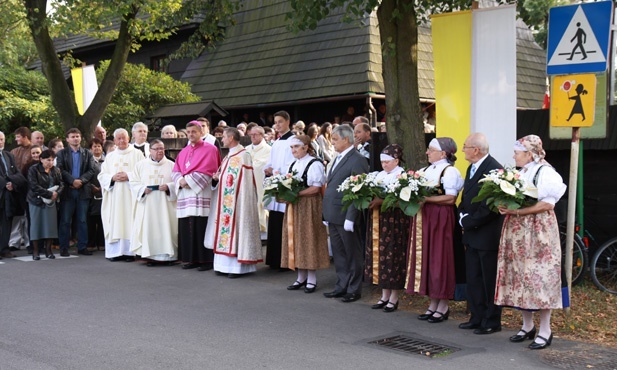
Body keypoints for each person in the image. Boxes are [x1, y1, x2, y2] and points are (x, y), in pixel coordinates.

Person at [495, 135, 566, 350]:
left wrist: (518, 211)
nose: (514, 155)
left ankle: (546, 329)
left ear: (529, 154)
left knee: (540, 278)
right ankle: (527, 326)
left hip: (538, 232)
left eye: (517, 152)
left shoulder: (546, 172)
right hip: (518, 230)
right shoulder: (522, 172)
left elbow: (547, 205)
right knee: (520, 276)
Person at [408, 138, 464, 323]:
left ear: (443, 153)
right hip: (425, 217)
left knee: (441, 258)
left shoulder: (449, 171)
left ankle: (443, 305)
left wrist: (426, 200)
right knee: (428, 259)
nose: (427, 152)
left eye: (431, 150)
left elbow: (450, 198)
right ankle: (433, 302)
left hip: (441, 217)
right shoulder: (424, 171)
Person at [458, 133, 504, 334]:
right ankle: (476, 316)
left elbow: (491, 206)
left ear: (475, 150)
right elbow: (466, 197)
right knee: (474, 277)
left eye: (465, 146)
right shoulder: (472, 168)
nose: (463, 150)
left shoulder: (494, 169)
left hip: (487, 234)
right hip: (471, 232)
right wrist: (461, 214)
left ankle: (491, 320)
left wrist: (469, 221)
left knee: (488, 279)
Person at [206, 128, 262, 277]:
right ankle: (223, 266)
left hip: (238, 203)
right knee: (225, 230)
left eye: (223, 137)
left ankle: (237, 268)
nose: (222, 139)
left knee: (237, 230)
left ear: (231, 138)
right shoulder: (227, 157)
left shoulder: (244, 156)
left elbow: (246, 183)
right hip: (226, 203)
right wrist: (217, 178)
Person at [322, 125, 369, 302]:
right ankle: (341, 285)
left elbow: (359, 190)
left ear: (346, 140)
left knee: (352, 253)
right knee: (339, 253)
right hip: (333, 213)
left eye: (335, 139)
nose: (332, 143)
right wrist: (325, 214)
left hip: (346, 215)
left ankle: (354, 288)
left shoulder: (357, 159)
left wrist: (351, 216)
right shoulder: (338, 157)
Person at [281, 134, 329, 292]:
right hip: (295, 206)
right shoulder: (293, 164)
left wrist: (296, 195)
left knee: (308, 238)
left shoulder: (314, 164)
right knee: (295, 238)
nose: (293, 150)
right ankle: (300, 277)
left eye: (296, 147)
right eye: (292, 147)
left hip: (309, 205)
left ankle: (312, 279)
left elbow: (316, 188)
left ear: (306, 147)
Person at [365, 144, 409, 312]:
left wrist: (382, 201)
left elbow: (404, 199)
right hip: (378, 220)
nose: (384, 165)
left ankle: (394, 296)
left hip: (394, 221)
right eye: (382, 161)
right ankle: (384, 294)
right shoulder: (379, 175)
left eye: (387, 162)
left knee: (393, 256)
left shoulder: (403, 176)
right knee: (380, 255)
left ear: (396, 160)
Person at [172, 120, 221, 271]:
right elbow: (175, 171)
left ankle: (205, 260)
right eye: (189, 132)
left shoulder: (210, 149)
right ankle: (189, 259)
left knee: (201, 226)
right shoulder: (183, 151)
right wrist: (180, 180)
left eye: (194, 132)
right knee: (186, 225)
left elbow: (210, 170)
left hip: (201, 193)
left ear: (201, 132)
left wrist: (188, 181)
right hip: (186, 194)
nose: (191, 135)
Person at [98, 128, 145, 261]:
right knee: (114, 220)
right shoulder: (110, 156)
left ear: (129, 139)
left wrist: (128, 176)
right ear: (114, 141)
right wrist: (112, 178)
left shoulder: (137, 154)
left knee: (130, 220)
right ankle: (115, 252)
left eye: (124, 138)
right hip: (115, 196)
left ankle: (130, 252)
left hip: (131, 196)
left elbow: (143, 172)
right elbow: (102, 175)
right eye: (118, 138)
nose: (121, 140)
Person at [130, 139, 178, 265]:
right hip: (148, 203)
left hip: (165, 204)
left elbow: (178, 182)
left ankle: (168, 257)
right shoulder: (140, 165)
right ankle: (151, 256)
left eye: (162, 148)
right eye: (156, 149)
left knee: (166, 227)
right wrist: (142, 189)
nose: (160, 151)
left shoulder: (172, 165)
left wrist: (168, 187)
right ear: (150, 150)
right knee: (149, 228)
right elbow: (134, 182)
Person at [56, 128, 97, 257]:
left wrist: (81, 181)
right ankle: (64, 247)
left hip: (83, 190)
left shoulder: (87, 153)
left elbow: (91, 170)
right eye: (72, 136)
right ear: (67, 139)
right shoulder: (61, 154)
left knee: (82, 220)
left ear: (81, 138)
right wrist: (72, 181)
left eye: (77, 136)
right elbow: (60, 170)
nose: (75, 138)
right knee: (65, 220)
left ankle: (82, 246)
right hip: (68, 190)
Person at [263, 111, 296, 270]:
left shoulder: (293, 140)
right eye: (275, 122)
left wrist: (278, 172)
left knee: (285, 223)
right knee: (275, 223)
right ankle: (274, 259)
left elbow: (294, 162)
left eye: (280, 122)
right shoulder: (276, 142)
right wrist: (268, 169)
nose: (277, 125)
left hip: (285, 184)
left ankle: (286, 261)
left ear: (288, 122)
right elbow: (271, 161)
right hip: (275, 183)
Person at [27, 150, 64, 260]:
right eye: (48, 160)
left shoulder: (56, 170)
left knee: (50, 226)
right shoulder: (33, 169)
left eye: (52, 160)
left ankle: (48, 250)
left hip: (51, 201)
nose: (50, 162)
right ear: (41, 159)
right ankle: (36, 251)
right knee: (36, 226)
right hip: (36, 200)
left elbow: (61, 183)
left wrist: (57, 193)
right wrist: (49, 194)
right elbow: (34, 186)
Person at [0, 131, 28, 259]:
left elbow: (18, 174)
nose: (1, 142)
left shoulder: (8, 155)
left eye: (2, 139)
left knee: (7, 222)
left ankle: (4, 249)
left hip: (9, 195)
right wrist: (6, 183)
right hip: (1, 190)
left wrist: (12, 183)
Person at [9, 127, 32, 253]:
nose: (16, 139)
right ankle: (14, 241)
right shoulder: (13, 151)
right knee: (16, 215)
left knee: (28, 216)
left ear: (24, 136)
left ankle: (29, 241)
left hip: (29, 187)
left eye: (18, 136)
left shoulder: (33, 150)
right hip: (15, 187)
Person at [245, 126, 271, 233]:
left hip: (262, 184)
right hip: (247, 184)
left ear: (261, 135)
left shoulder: (269, 150)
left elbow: (266, 166)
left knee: (262, 204)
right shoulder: (246, 149)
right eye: (251, 135)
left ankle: (264, 234)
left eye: (255, 135)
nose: (252, 137)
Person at [87, 138, 105, 251]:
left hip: (104, 192)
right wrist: (91, 187)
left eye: (99, 146)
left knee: (102, 218)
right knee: (91, 219)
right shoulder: (87, 161)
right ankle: (91, 243)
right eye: (94, 146)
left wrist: (102, 187)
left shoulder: (107, 160)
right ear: (90, 148)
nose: (97, 148)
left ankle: (102, 242)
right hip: (91, 193)